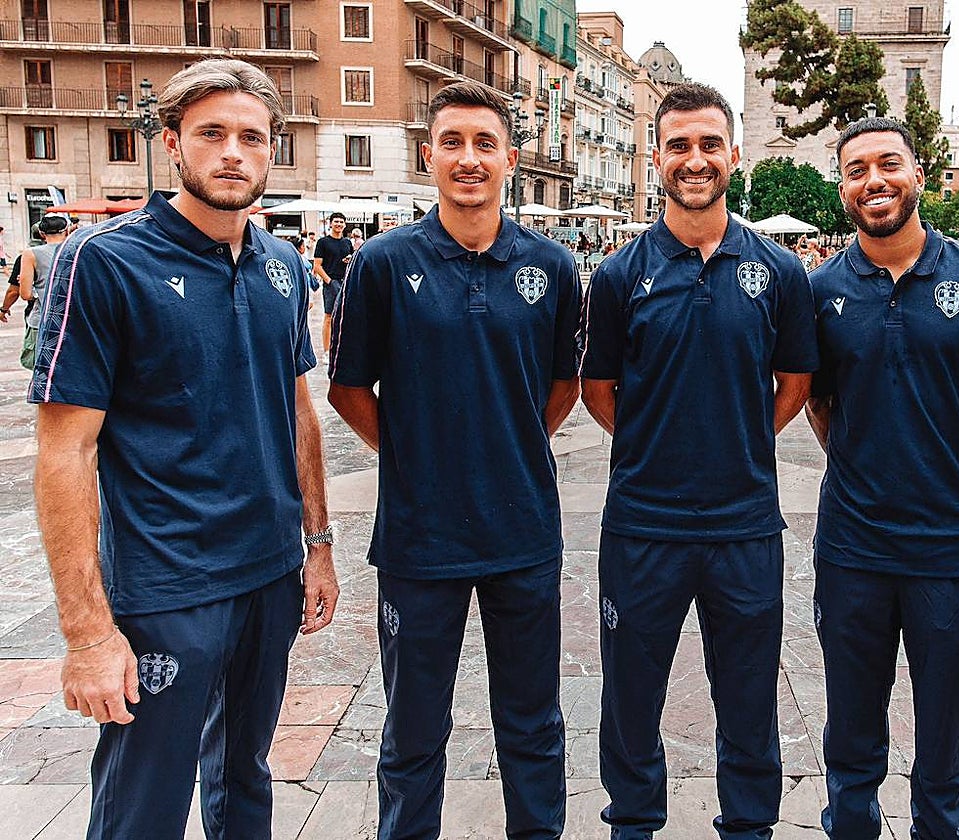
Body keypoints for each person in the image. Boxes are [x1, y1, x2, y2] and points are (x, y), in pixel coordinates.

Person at [27, 58, 338, 840]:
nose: (233, 152)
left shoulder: (282, 265)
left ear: (272, 150)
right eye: (211, 134)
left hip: (270, 575)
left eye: (251, 137)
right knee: (145, 802)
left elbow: (298, 411)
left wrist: (319, 545)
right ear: (172, 143)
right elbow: (64, 453)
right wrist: (88, 635)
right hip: (168, 588)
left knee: (245, 779)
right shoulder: (107, 261)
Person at [327, 81, 581, 840]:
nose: (469, 159)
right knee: (412, 726)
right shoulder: (381, 263)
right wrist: (414, 450)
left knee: (533, 720)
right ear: (428, 155)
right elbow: (346, 388)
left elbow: (564, 386)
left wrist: (509, 440)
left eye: (484, 144)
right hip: (419, 537)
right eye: (452, 143)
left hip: (522, 532)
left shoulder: (553, 266)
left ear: (510, 158)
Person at [580, 82, 818, 839]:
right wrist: (655, 441)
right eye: (679, 145)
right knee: (630, 695)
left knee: (748, 697)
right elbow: (596, 390)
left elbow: (795, 384)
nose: (695, 159)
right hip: (642, 525)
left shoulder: (779, 272)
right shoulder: (619, 275)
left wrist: (737, 436)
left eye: (710, 144)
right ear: (656, 158)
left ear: (734, 155)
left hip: (744, 525)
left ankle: (749, 825)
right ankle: (633, 821)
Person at [805, 117, 959, 840]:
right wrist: (866, 461)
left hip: (954, 548)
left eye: (888, 163)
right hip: (853, 548)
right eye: (856, 170)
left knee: (949, 726)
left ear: (920, 174)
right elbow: (819, 403)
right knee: (850, 725)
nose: (874, 180)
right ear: (843, 189)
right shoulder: (820, 290)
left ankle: (942, 829)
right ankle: (850, 826)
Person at [18, 213, 69, 370]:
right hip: (71, 320)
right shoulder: (76, 250)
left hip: (42, 319)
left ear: (42, 233)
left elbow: (25, 294)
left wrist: (38, 290)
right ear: (66, 231)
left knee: (41, 369)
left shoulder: (31, 254)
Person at [312, 210, 353, 352]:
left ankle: (342, 348)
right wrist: (329, 282)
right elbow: (317, 266)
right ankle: (326, 351)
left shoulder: (347, 242)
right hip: (330, 283)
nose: (339, 224)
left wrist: (349, 260)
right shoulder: (323, 242)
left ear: (345, 225)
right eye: (336, 221)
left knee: (345, 316)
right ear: (330, 224)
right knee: (329, 316)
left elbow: (351, 261)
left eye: (341, 222)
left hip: (345, 283)